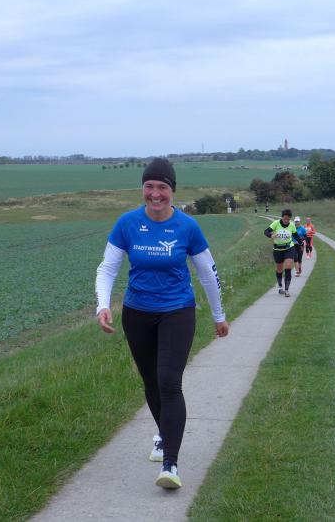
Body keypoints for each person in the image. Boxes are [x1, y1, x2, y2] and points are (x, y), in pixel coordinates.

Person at [95, 158, 229, 490]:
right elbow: (108, 268)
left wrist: (218, 315)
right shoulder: (127, 223)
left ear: (172, 191)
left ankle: (171, 463)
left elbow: (208, 273)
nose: (155, 194)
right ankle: (163, 434)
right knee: (152, 383)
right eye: (149, 187)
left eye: (162, 187)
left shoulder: (187, 227)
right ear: (142, 189)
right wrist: (103, 305)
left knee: (169, 382)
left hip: (177, 310)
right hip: (137, 313)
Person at [264, 209, 302, 296]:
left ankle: (287, 290)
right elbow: (266, 231)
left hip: (289, 248)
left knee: (288, 267)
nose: (286, 221)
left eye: (288, 219)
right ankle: (280, 287)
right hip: (278, 249)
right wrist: (271, 235)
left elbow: (295, 235)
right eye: (285, 218)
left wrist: (301, 243)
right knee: (279, 269)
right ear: (282, 217)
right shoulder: (276, 223)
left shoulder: (292, 225)